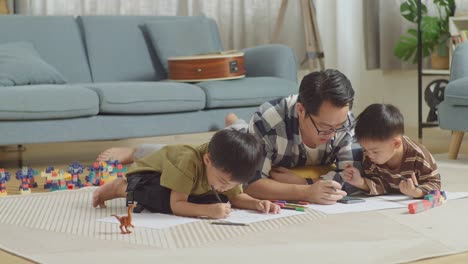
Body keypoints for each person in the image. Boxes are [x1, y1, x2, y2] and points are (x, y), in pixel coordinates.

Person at [96, 69, 361, 205]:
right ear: (301, 110)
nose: (333, 134)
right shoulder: (270, 120)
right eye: (325, 128)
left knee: (241, 129)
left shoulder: (341, 119)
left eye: (339, 127)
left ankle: (236, 122)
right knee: (196, 153)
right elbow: (250, 183)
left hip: (280, 154)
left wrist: (307, 179)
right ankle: (137, 151)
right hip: (251, 142)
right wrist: (306, 191)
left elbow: (352, 175)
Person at [92, 129, 280, 219]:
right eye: (223, 181)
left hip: (186, 183)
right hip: (147, 176)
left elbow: (236, 196)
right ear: (207, 160)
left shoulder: (229, 168)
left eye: (232, 183)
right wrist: (208, 212)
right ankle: (119, 188)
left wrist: (257, 203)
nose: (226, 186)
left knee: (219, 198)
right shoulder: (189, 161)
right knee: (162, 200)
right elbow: (177, 206)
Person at [343, 104, 441, 198]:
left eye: (375, 152)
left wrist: (417, 192)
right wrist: (361, 182)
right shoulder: (369, 156)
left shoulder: (418, 156)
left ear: (396, 144)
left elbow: (435, 184)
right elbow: (383, 185)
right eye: (365, 149)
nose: (369, 155)